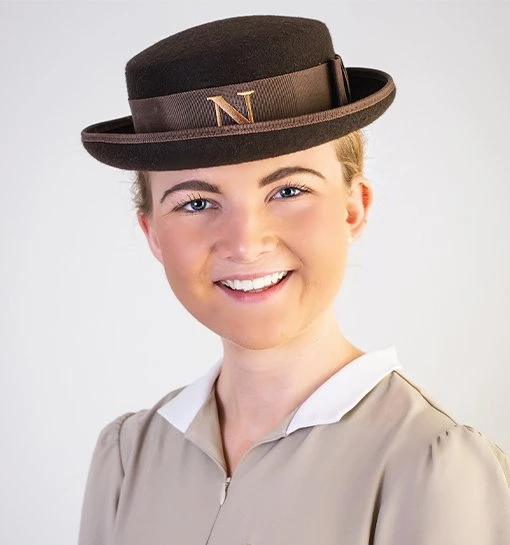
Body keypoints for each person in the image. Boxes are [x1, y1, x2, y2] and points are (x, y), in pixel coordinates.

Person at [78, 14, 510, 545]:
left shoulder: (430, 464)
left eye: (287, 191)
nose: (244, 242)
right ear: (153, 235)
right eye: (196, 202)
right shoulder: (128, 455)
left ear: (353, 209)